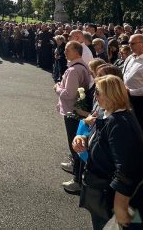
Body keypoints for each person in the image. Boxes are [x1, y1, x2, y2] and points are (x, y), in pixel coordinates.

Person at [73, 75, 143, 230]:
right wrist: (83, 138)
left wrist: (120, 205)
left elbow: (126, 168)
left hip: (109, 195)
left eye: (97, 92)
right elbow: (103, 140)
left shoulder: (119, 123)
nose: (94, 96)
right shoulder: (112, 114)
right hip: (102, 190)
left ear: (111, 95)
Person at [54, 41, 93, 193]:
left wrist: (57, 87)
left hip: (72, 111)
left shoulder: (73, 70)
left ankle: (77, 178)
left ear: (77, 52)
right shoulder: (81, 66)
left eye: (67, 50)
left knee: (75, 144)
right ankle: (76, 170)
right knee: (77, 143)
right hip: (77, 110)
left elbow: (69, 94)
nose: (64, 52)